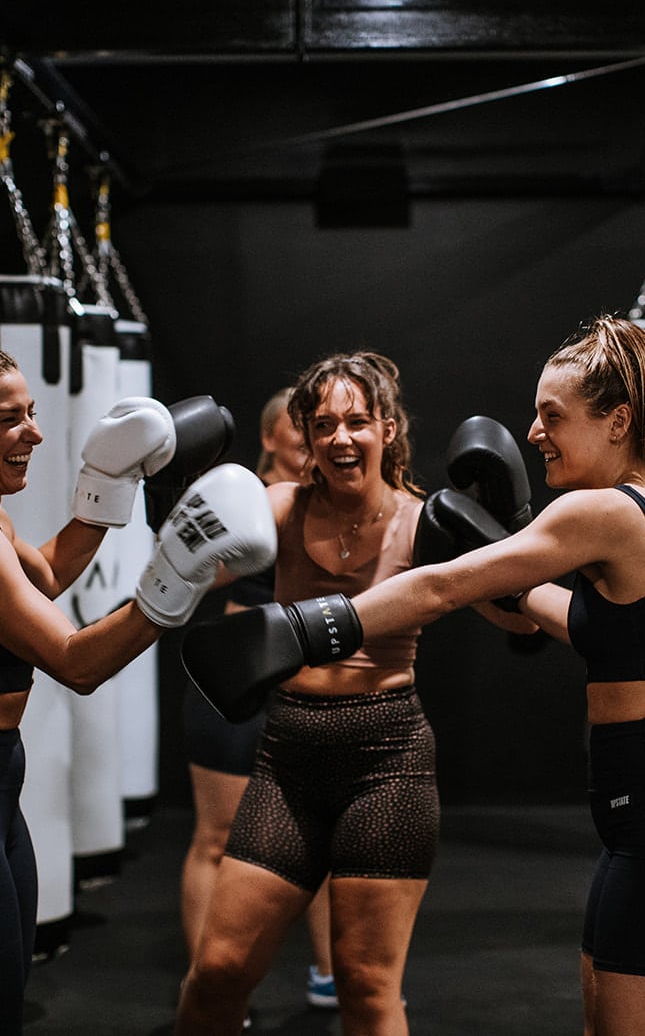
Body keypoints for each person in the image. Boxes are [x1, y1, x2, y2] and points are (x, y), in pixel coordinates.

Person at [185, 316, 645, 1036]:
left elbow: (441, 587)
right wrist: (507, 540)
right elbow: (568, 617)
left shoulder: (603, 510)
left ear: (618, 421)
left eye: (552, 416)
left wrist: (310, 626)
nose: (535, 433)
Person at [0, 318, 276, 1036]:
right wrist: (174, 575)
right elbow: (76, 662)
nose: (34, 433)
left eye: (30, 413)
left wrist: (105, 481)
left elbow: (47, 574)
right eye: (8, 419)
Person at [177, 351, 529, 1035]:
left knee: (367, 987)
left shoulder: (424, 522)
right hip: (288, 758)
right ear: (303, 437)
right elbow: (176, 576)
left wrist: (511, 529)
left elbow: (519, 620)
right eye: (325, 424)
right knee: (217, 970)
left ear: (389, 429)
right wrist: (168, 494)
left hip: (387, 759)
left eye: (358, 421)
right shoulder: (277, 508)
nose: (342, 437)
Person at [177, 387, 339, 1011]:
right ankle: (207, 989)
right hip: (240, 673)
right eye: (297, 428)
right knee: (217, 837)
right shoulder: (243, 498)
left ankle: (331, 975)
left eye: (318, 427)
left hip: (312, 677)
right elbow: (187, 571)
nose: (310, 438)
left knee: (324, 836)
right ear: (270, 437)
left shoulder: (338, 502)